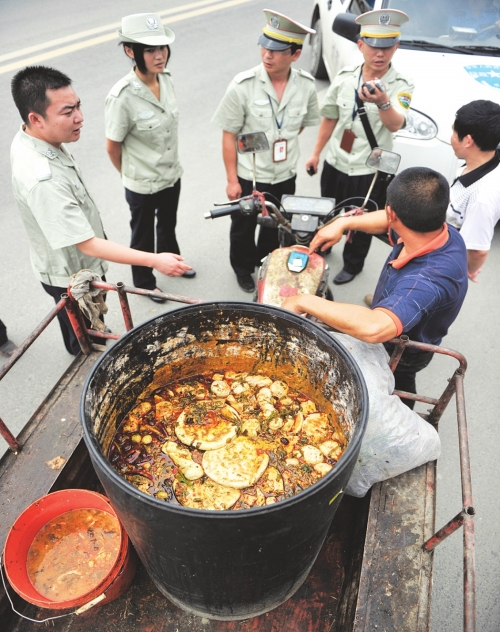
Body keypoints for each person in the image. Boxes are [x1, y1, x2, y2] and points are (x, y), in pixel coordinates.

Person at [10, 65, 192, 356]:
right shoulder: (42, 178)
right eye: (68, 112)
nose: (79, 117)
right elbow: (87, 244)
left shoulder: (36, 138)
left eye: (78, 105)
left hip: (76, 264)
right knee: (86, 344)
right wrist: (154, 260)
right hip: (70, 276)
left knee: (94, 330)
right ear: (36, 119)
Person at [282, 167, 468, 409]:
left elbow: (373, 328)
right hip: (405, 314)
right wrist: (343, 223)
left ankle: (403, 417)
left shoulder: (425, 280)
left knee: (398, 383)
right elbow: (385, 220)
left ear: (392, 213)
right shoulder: (438, 232)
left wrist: (302, 301)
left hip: (404, 349)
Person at [212, 9, 321, 293]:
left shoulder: (306, 86)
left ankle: (265, 264)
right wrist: (232, 180)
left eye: (277, 50)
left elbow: (299, 126)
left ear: (295, 55)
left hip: (284, 174)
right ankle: (242, 268)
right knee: (243, 228)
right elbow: (228, 136)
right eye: (264, 46)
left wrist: (279, 141)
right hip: (251, 175)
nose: (267, 55)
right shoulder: (242, 86)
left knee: (274, 227)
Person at [306, 9, 414, 286]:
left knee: (362, 220)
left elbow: (395, 124)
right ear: (361, 45)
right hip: (336, 160)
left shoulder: (402, 84)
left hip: (370, 168)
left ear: (397, 46)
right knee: (329, 210)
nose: (380, 54)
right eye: (374, 46)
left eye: (387, 46)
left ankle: (353, 264)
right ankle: (326, 245)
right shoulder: (345, 76)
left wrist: (383, 102)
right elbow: (330, 115)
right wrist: (316, 153)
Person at [105, 13, 195, 305]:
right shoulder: (122, 96)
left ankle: (174, 262)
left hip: (171, 174)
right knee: (142, 238)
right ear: (130, 52)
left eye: (162, 48)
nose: (159, 56)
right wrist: (130, 174)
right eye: (150, 50)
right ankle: (145, 283)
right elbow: (112, 147)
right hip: (141, 184)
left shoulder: (165, 80)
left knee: (168, 225)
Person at [446, 99, 500, 282]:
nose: (451, 136)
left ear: (468, 141)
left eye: (454, 131)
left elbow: (478, 250)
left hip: (446, 261)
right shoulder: (487, 160)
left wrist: (469, 270)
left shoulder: (481, 197)